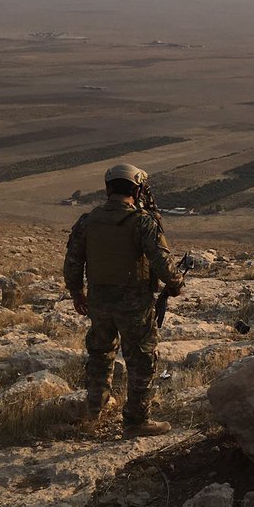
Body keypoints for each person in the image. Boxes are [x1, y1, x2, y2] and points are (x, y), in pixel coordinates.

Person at [63, 164, 185, 437]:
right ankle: (136, 420)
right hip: (134, 303)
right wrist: (176, 284)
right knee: (141, 360)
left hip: (98, 300)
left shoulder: (88, 220)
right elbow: (162, 261)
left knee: (100, 354)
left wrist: (76, 293)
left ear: (108, 189)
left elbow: (73, 261)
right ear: (137, 190)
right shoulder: (142, 221)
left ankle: (94, 408)